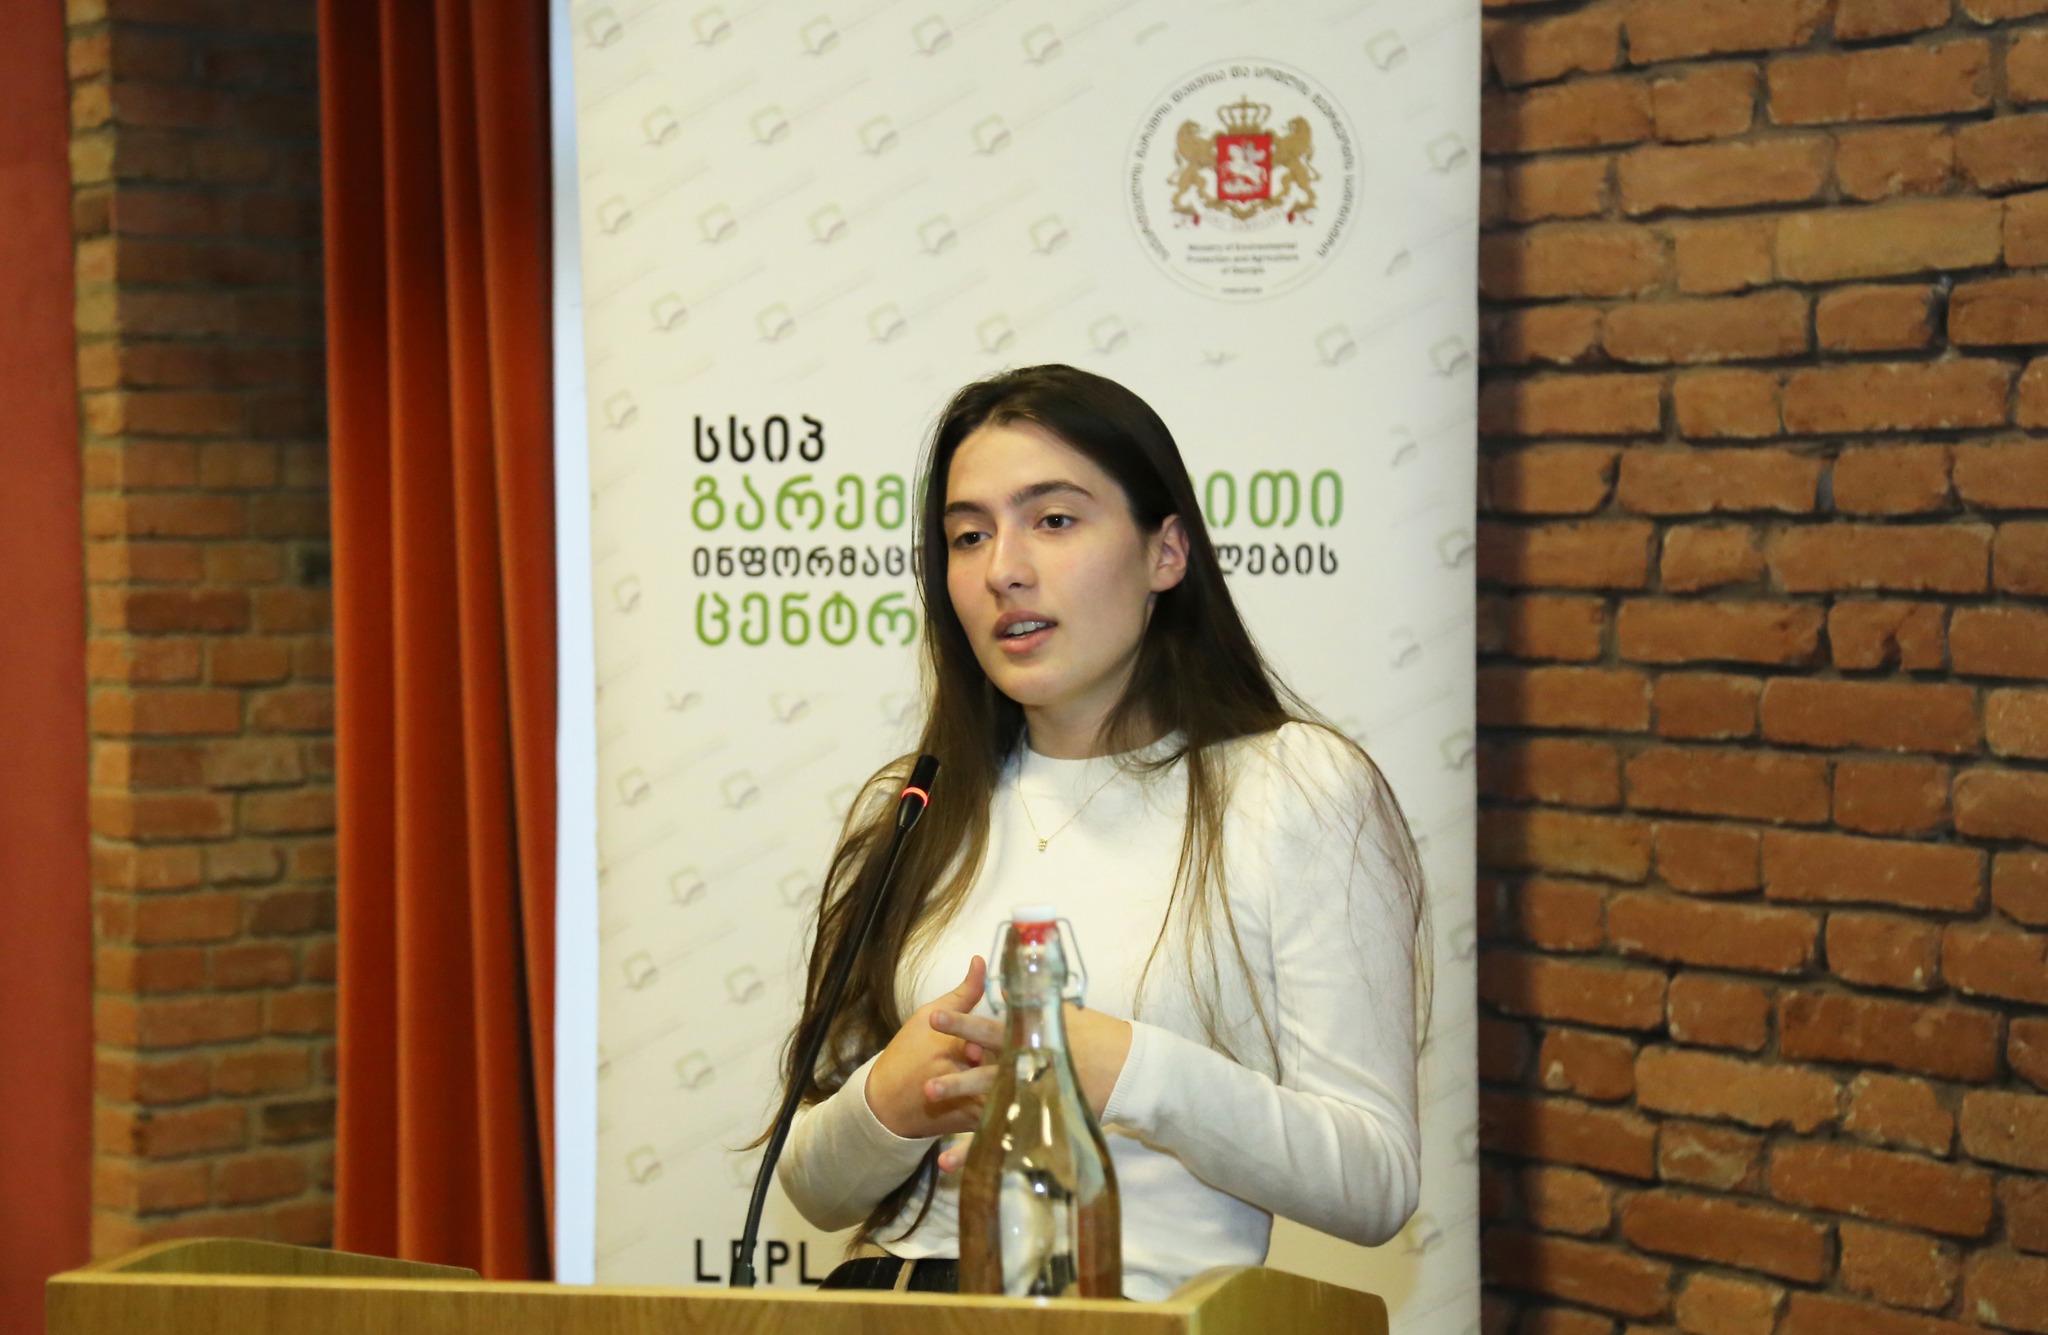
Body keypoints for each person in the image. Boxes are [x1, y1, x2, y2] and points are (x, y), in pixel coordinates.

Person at [771, 364, 1427, 1301]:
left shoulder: (1293, 785)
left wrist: (1124, 1067)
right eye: (968, 535)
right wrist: (888, 1101)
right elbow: (810, 1187)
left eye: (1053, 519)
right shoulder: (919, 802)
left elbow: (1374, 1177)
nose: (1003, 568)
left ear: (1167, 551)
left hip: (1136, 1310)